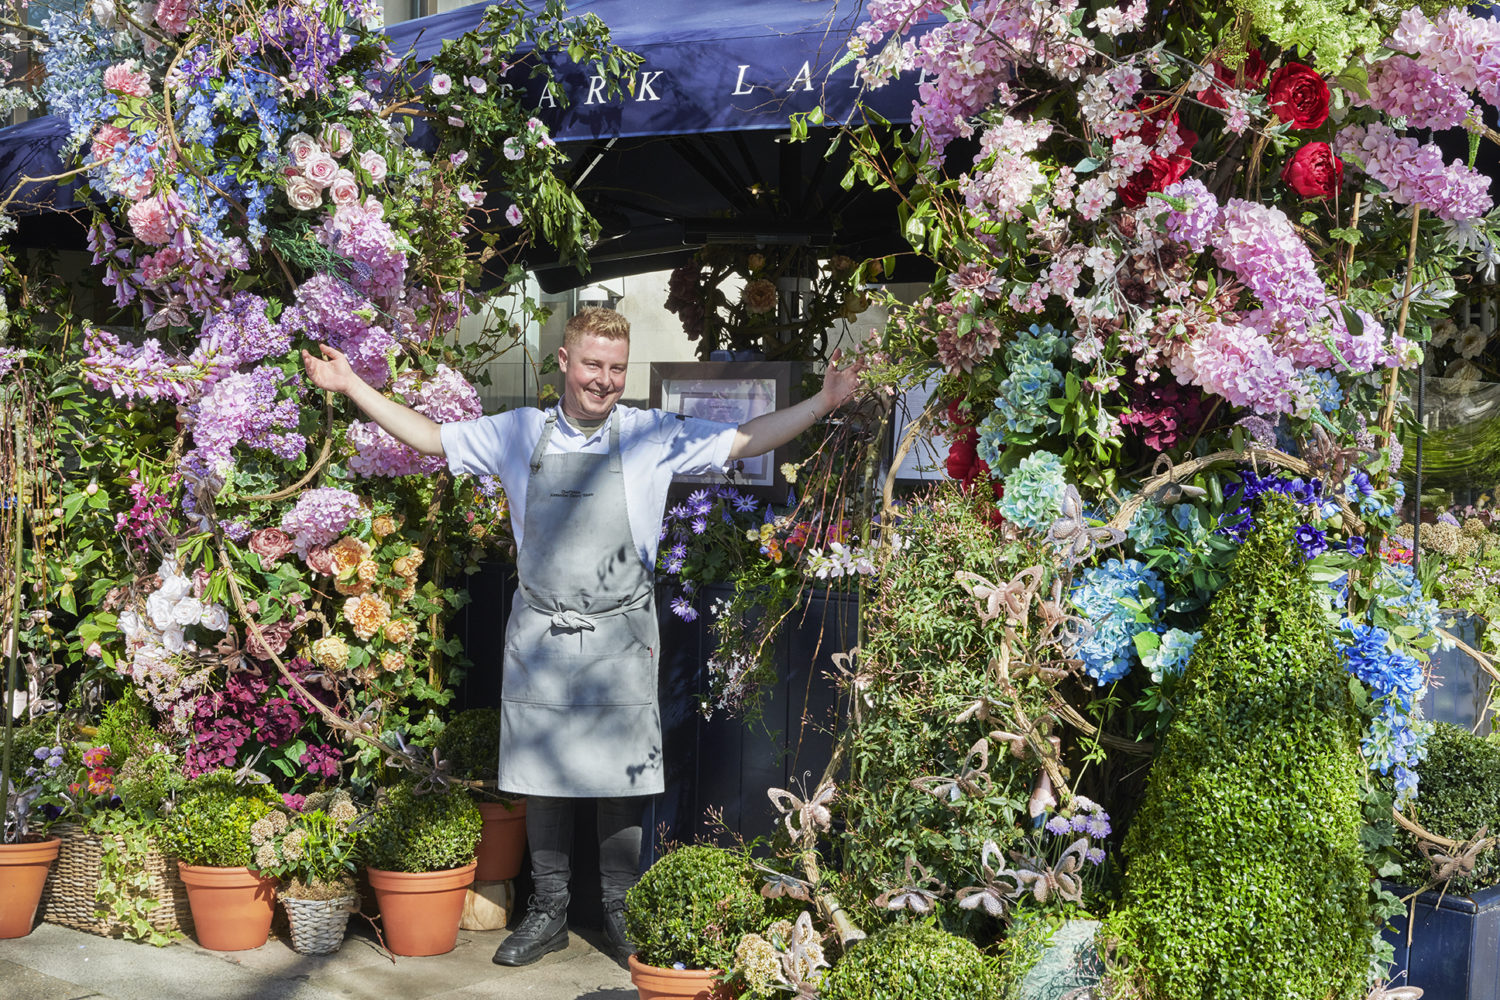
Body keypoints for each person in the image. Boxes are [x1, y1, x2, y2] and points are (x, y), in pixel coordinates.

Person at [301, 306, 863, 966]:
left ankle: (620, 911)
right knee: (541, 775)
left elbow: (744, 439)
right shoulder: (518, 433)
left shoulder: (651, 434)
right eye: (592, 364)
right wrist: (352, 385)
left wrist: (824, 401)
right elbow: (430, 438)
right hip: (541, 631)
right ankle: (547, 912)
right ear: (565, 361)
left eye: (616, 368)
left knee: (621, 776)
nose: (604, 380)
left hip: (621, 632)